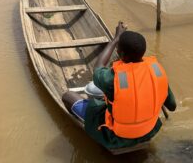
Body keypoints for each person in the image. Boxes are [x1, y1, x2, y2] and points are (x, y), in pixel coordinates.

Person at [62, 21, 176, 149]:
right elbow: (172, 106)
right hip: (149, 132)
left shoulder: (113, 79)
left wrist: (115, 39)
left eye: (117, 49)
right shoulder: (158, 72)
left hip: (117, 137)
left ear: (121, 54)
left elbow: (98, 68)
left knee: (68, 96)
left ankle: (89, 130)